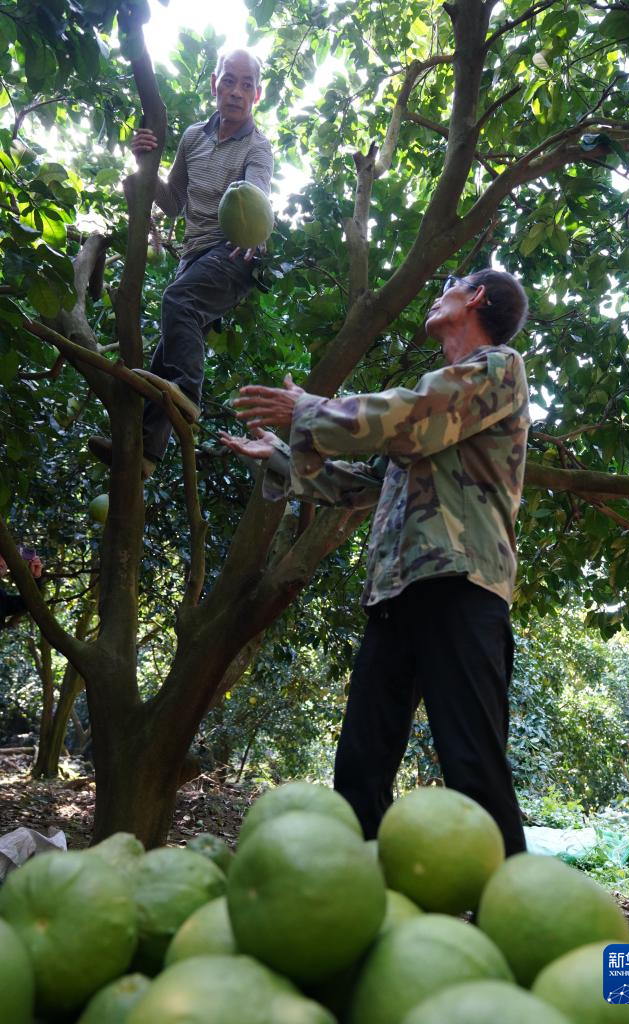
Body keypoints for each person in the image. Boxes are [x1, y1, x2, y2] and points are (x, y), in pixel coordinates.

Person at [219, 268, 531, 856]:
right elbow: (365, 489)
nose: (438, 292)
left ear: (477, 298)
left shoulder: (498, 369)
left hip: (460, 586)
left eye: (452, 284)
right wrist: (283, 455)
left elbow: (411, 419)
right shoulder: (435, 407)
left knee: (472, 764)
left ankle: (516, 916)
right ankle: (362, 905)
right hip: (396, 594)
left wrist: (308, 410)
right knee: (360, 766)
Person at [90, 48, 273, 478]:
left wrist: (256, 232)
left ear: (257, 95)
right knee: (162, 358)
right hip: (194, 258)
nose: (236, 92)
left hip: (234, 255)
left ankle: (188, 393)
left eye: (247, 85)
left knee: (178, 303)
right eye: (229, 80)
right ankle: (146, 455)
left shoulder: (258, 149)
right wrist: (145, 164)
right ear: (215, 85)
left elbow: (256, 195)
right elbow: (173, 203)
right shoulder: (193, 137)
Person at [0, 550, 43, 631]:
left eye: (4, 557)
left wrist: (35, 578)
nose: (1, 561)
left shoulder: (2, 598)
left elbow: (30, 602)